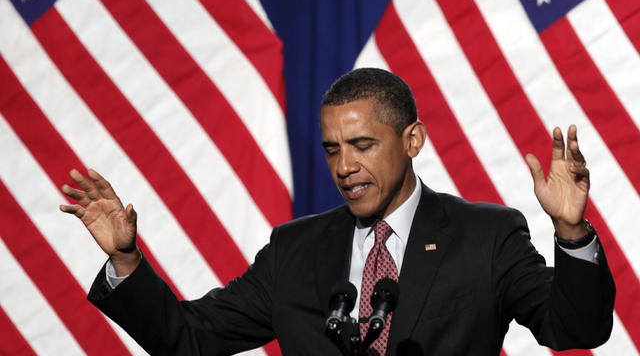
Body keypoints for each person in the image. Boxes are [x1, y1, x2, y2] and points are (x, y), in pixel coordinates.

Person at [60, 68, 614, 355]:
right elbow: (189, 338)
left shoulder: (485, 236)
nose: (344, 166)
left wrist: (571, 231)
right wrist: (127, 261)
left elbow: (576, 329)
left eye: (363, 145)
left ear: (413, 140)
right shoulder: (294, 251)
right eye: (331, 149)